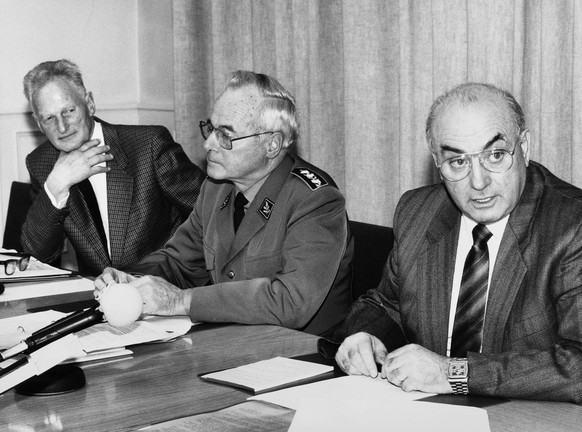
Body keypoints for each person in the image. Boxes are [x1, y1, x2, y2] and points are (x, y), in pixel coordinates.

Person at [334, 82, 582, 403]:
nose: (478, 182)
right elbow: (387, 304)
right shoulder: (418, 212)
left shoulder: (571, 225)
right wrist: (365, 335)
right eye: (458, 162)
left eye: (495, 155)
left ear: (524, 147)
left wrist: (453, 374)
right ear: (438, 163)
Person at [95, 70, 353, 336]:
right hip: (230, 343)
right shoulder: (216, 189)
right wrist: (129, 280)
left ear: (272, 145)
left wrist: (181, 301)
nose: (209, 144)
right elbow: (178, 263)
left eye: (226, 135)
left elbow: (290, 301)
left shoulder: (315, 200)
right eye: (211, 129)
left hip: (301, 358)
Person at [21, 59, 205, 276]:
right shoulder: (41, 163)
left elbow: (211, 216)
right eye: (49, 118)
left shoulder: (148, 146)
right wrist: (56, 185)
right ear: (38, 123)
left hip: (166, 284)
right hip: (99, 296)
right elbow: (38, 256)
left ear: (89, 103)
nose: (62, 127)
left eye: (69, 111)